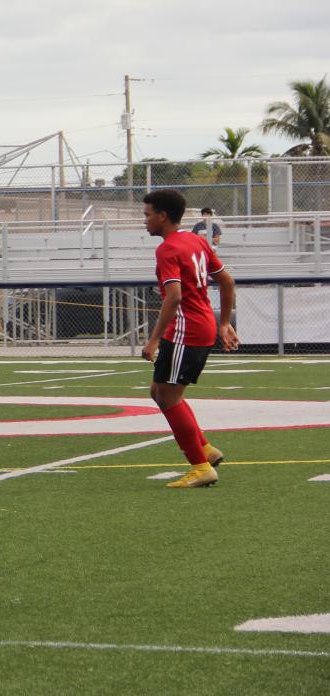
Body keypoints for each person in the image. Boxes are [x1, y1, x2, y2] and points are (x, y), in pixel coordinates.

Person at [141, 189, 237, 489]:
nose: (145, 221)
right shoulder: (196, 241)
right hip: (200, 325)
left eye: (147, 215)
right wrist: (223, 323)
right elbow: (227, 280)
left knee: (168, 396)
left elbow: (174, 297)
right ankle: (205, 449)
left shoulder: (168, 249)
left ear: (163, 216)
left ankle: (200, 466)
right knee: (159, 392)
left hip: (187, 329)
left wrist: (154, 340)